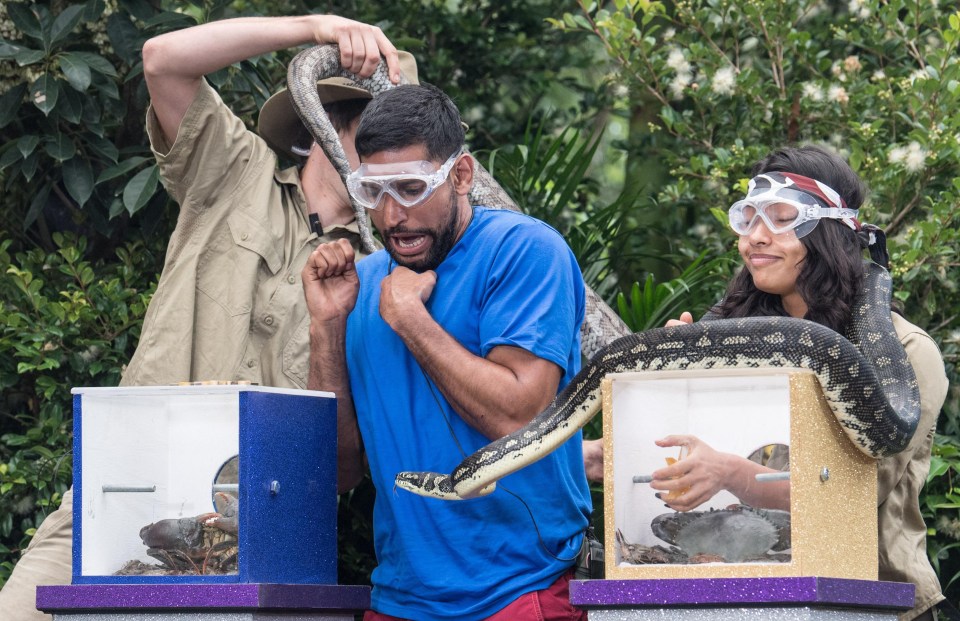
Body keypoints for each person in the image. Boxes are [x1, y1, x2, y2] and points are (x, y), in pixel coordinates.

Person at [0, 15, 413, 620]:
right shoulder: (233, 170)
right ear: (328, 124)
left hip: (263, 531)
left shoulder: (385, 271)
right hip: (126, 486)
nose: (388, 159)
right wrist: (312, 26)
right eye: (377, 134)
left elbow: (348, 465)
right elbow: (163, 59)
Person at [586, 145, 947, 621]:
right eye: (747, 219)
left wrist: (730, 474)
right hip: (734, 591)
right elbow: (682, 451)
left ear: (831, 233)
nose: (753, 239)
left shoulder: (907, 353)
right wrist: (666, 390)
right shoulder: (728, 335)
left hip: (867, 600)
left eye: (780, 219)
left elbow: (851, 491)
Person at [303, 83, 591, 620]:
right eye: (375, 191)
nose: (391, 216)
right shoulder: (361, 286)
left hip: (521, 590)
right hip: (399, 597)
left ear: (461, 175)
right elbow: (338, 474)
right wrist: (327, 328)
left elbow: (519, 417)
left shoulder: (525, 251)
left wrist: (413, 322)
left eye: (411, 188)